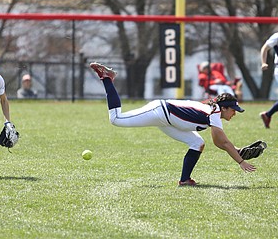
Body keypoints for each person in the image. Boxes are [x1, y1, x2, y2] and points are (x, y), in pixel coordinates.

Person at [89, 62, 256, 186]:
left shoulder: (214, 110)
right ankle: (107, 78)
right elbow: (222, 142)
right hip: (159, 111)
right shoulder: (215, 113)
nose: (234, 113)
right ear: (224, 107)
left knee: (197, 143)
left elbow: (221, 142)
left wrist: (236, 151)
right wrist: (240, 160)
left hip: (169, 121)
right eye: (233, 110)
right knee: (116, 119)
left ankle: (184, 180)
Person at [259, 32, 278, 128]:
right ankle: (267, 115)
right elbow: (264, 48)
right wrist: (263, 62)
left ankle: (267, 115)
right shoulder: (277, 36)